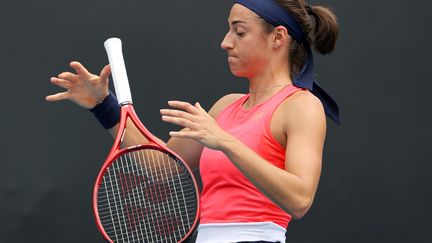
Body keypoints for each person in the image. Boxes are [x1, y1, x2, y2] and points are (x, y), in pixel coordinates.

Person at [46, 0, 340, 242]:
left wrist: (225, 141)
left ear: (278, 37)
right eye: (229, 30)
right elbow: (162, 167)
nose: (226, 43)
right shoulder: (224, 106)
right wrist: (103, 105)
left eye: (239, 32)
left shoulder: (301, 105)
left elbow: (300, 199)